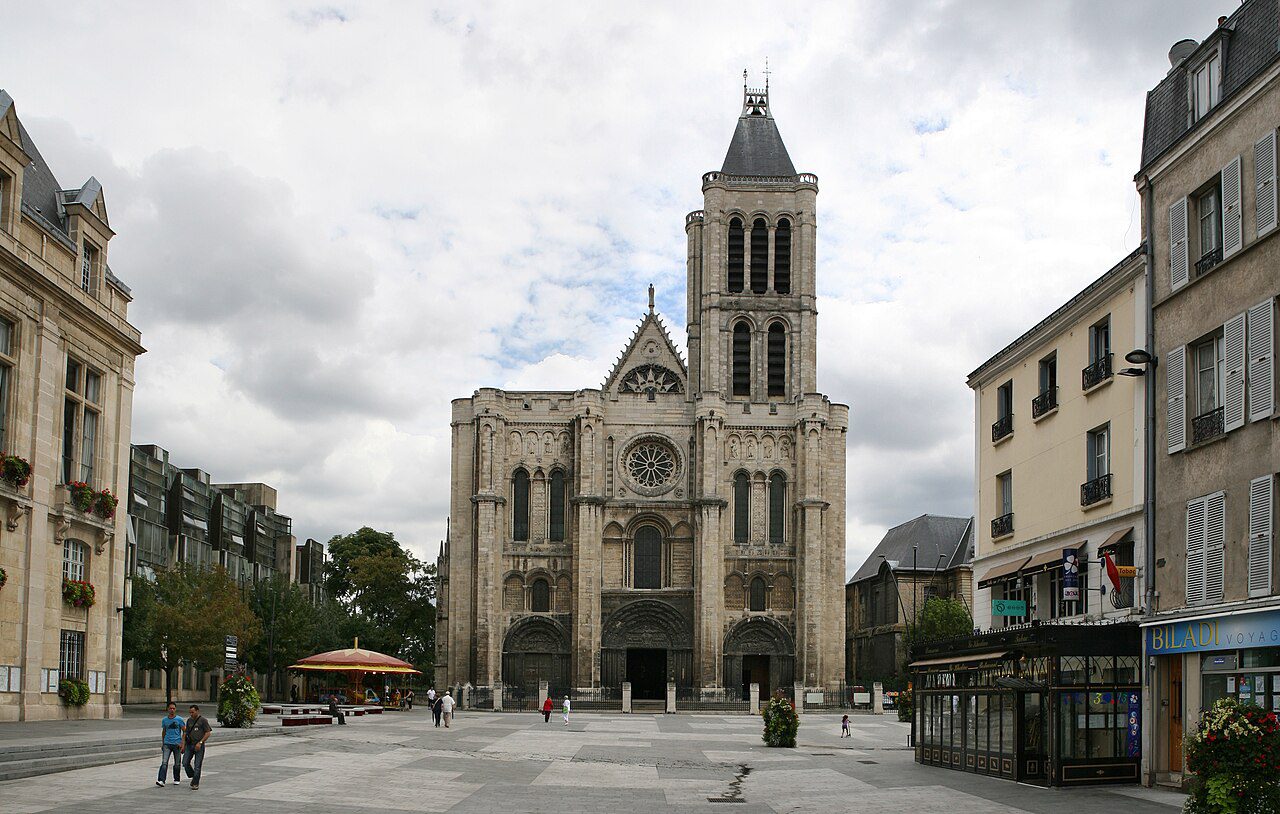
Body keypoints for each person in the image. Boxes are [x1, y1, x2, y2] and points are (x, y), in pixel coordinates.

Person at [182, 704, 212, 791]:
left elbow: (208, 733)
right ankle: (194, 775)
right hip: (189, 744)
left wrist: (201, 742)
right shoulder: (189, 720)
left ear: (197, 711)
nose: (191, 714)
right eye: (190, 712)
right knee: (185, 762)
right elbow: (185, 733)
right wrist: (183, 744)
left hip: (199, 745)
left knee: (197, 765)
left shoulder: (203, 720)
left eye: (193, 712)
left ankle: (195, 782)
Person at [156, 702, 184, 787]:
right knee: (164, 762)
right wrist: (163, 742)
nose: (172, 710)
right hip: (167, 743)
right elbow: (164, 731)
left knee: (177, 763)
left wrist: (182, 743)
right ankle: (161, 780)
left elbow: (185, 731)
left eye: (173, 708)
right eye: (170, 708)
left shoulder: (179, 719)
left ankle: (176, 778)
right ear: (168, 709)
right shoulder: (165, 720)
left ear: (175, 709)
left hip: (177, 744)